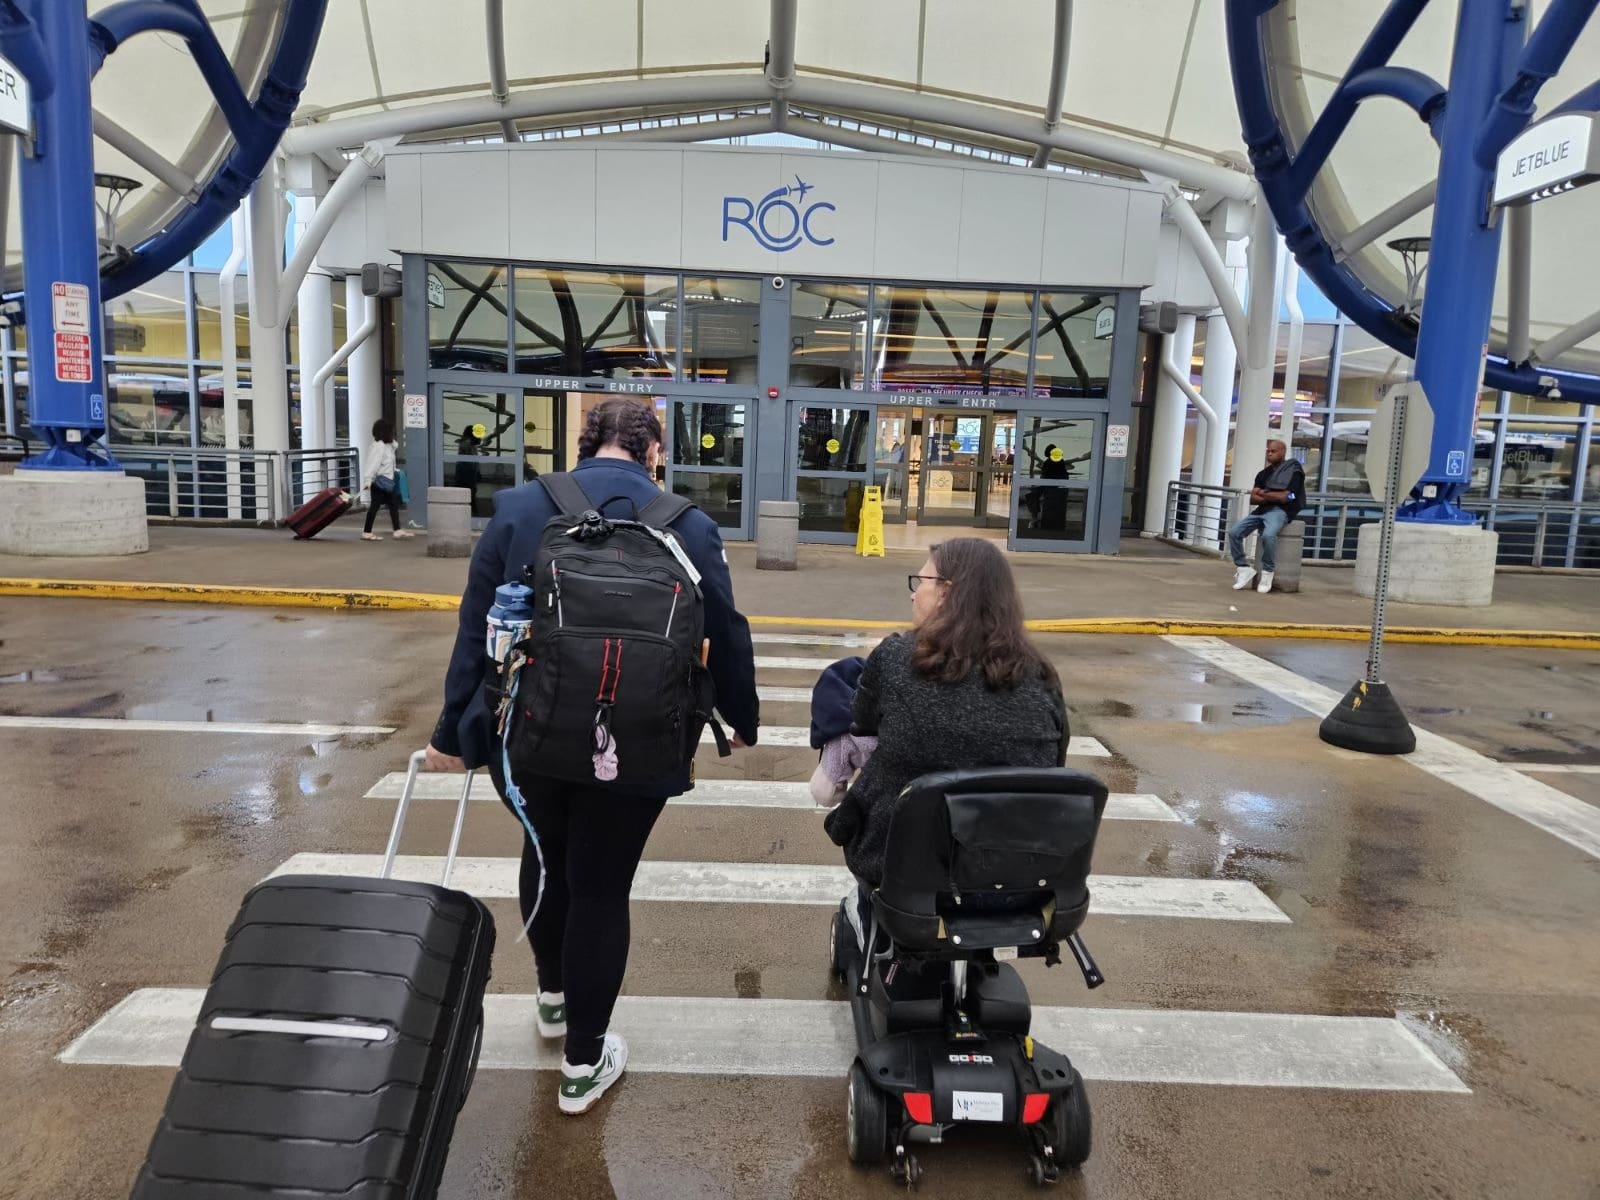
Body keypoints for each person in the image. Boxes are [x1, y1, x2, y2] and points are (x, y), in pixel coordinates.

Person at [425, 398, 760, 1116]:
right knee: (602, 887)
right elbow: (727, 630)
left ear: (582, 445)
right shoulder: (689, 524)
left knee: (544, 853)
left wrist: (452, 733)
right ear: (653, 451)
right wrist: (743, 718)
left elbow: (474, 628)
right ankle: (583, 1063)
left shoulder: (518, 508)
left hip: (531, 733)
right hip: (640, 740)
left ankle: (551, 997)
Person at [823, 538, 1069, 941]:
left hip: (900, 866)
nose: (914, 592)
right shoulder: (1041, 675)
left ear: (947, 593)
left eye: (921, 580)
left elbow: (861, 725)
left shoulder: (896, 659)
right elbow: (1054, 763)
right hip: (1018, 872)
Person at [1227, 439, 1305, 593]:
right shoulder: (1263, 474)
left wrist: (1263, 493)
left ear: (1282, 452)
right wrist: (1272, 495)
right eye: (1268, 451)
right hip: (1261, 511)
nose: (1269, 453)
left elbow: (1288, 497)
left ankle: (1267, 572)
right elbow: (1253, 498)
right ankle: (1243, 568)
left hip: (1280, 511)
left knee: (1268, 536)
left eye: (1273, 451)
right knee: (1234, 532)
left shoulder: (1294, 471)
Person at [360, 419, 413, 541]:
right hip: (379, 482)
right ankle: (367, 532)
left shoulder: (388, 446)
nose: (394, 433)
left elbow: (394, 448)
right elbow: (372, 464)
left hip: (389, 481)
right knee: (375, 506)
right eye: (392, 431)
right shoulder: (378, 447)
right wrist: (368, 480)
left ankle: (397, 530)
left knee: (393, 505)